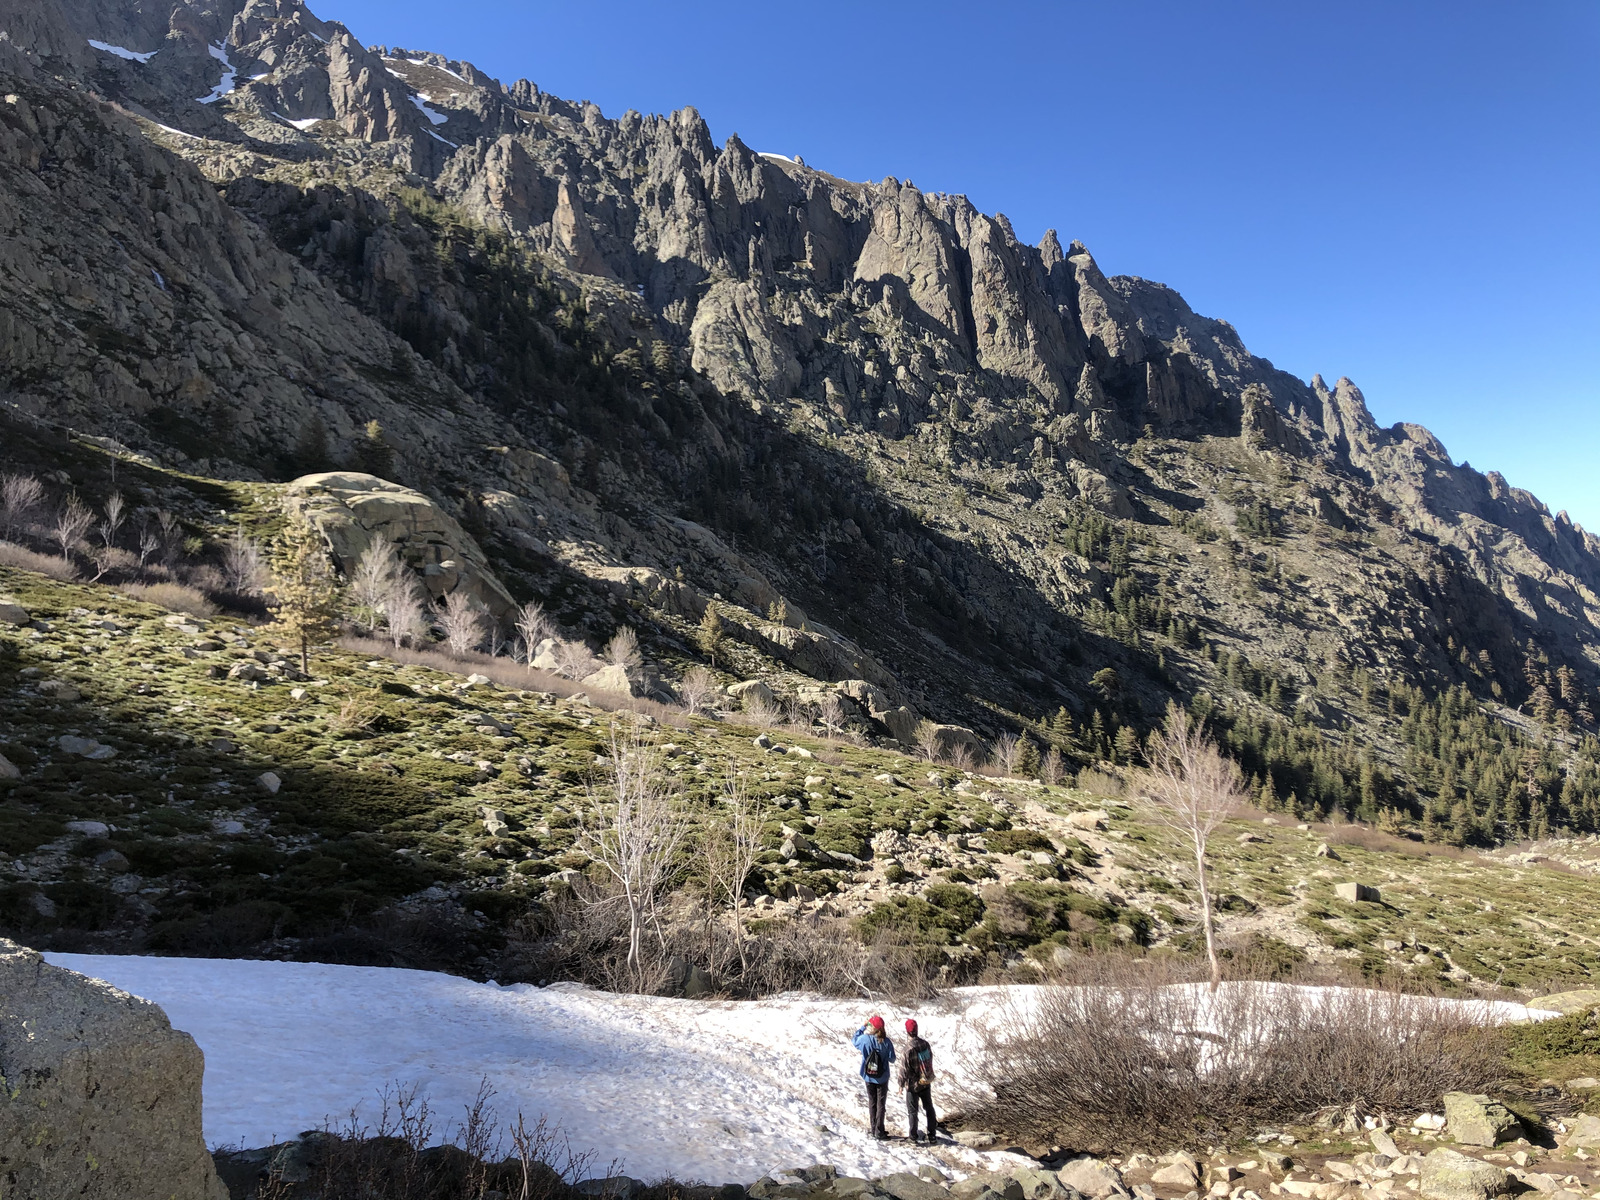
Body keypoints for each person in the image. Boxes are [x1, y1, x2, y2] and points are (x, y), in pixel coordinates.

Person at [851, 1014, 896, 1139]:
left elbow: (854, 1040)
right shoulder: (886, 1042)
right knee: (881, 1103)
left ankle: (873, 1128)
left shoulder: (865, 1039)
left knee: (872, 1102)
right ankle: (879, 1130)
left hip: (868, 1076)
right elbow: (892, 1059)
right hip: (882, 1077)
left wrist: (862, 1026)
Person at [898, 1018, 938, 1143]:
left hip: (913, 1084)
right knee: (929, 1107)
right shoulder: (925, 1044)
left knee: (912, 1111)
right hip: (925, 1081)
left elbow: (903, 1069)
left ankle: (913, 1136)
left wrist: (900, 1084)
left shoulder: (907, 1049)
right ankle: (932, 1134)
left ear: (907, 1031)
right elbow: (930, 1058)